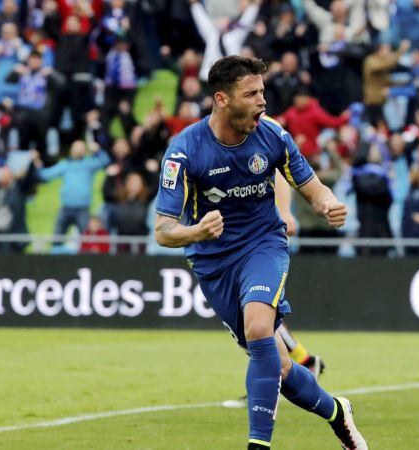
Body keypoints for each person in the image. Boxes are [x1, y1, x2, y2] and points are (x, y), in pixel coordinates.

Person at [153, 56, 366, 450]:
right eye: (251, 93)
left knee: (258, 328)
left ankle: (258, 445)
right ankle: (338, 412)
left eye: (262, 91)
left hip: (263, 245)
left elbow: (313, 186)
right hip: (214, 263)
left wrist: (327, 204)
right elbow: (163, 230)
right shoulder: (184, 151)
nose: (262, 101)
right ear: (222, 99)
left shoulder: (272, 136)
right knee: (280, 366)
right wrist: (196, 230)